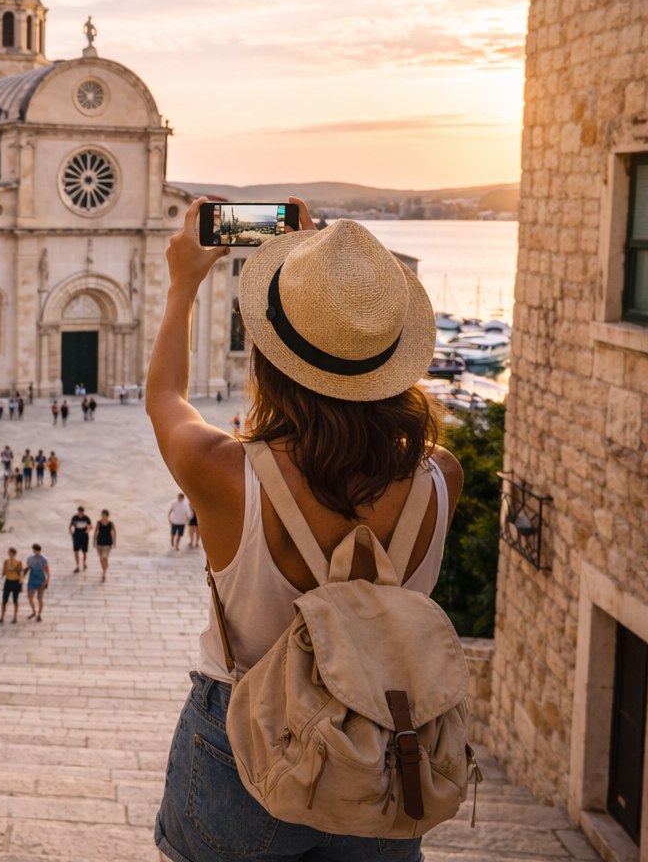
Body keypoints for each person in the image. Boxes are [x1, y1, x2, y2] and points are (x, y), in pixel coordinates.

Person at [145, 198, 462, 862]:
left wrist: (183, 286)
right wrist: (335, 290)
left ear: (269, 356)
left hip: (242, 750)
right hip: (381, 756)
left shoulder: (223, 472)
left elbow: (165, 397)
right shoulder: (442, 477)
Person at [0, 548, 24, 624]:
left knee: (15, 600)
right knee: (4, 600)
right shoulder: (6, 562)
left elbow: (21, 572)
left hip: (16, 582)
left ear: (14, 554)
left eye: (11, 553)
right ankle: (2, 617)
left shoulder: (18, 562)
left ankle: (15, 617)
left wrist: (21, 580)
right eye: (9, 553)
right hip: (8, 582)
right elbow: (4, 572)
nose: (10, 554)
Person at [25, 544, 50, 620]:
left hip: (40, 581)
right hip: (32, 580)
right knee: (30, 597)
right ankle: (34, 611)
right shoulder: (30, 558)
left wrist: (46, 581)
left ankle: (39, 614)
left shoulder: (44, 559)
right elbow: (28, 568)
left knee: (39, 599)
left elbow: (47, 572)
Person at [93, 511, 116, 582]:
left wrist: (114, 542)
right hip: (99, 542)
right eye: (102, 515)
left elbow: (114, 532)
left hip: (108, 543)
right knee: (101, 558)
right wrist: (94, 541)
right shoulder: (98, 523)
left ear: (107, 516)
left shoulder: (111, 523)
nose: (103, 517)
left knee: (104, 557)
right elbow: (95, 532)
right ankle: (104, 569)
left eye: (104, 516)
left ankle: (104, 573)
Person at [68, 507, 92, 572]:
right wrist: (72, 534)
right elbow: (70, 526)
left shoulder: (86, 518)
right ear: (78, 512)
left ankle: (84, 563)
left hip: (84, 536)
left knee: (84, 551)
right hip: (76, 536)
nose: (80, 514)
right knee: (76, 551)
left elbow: (91, 526)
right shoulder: (74, 518)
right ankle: (77, 566)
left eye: (81, 512)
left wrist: (88, 530)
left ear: (83, 512)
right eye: (79, 512)